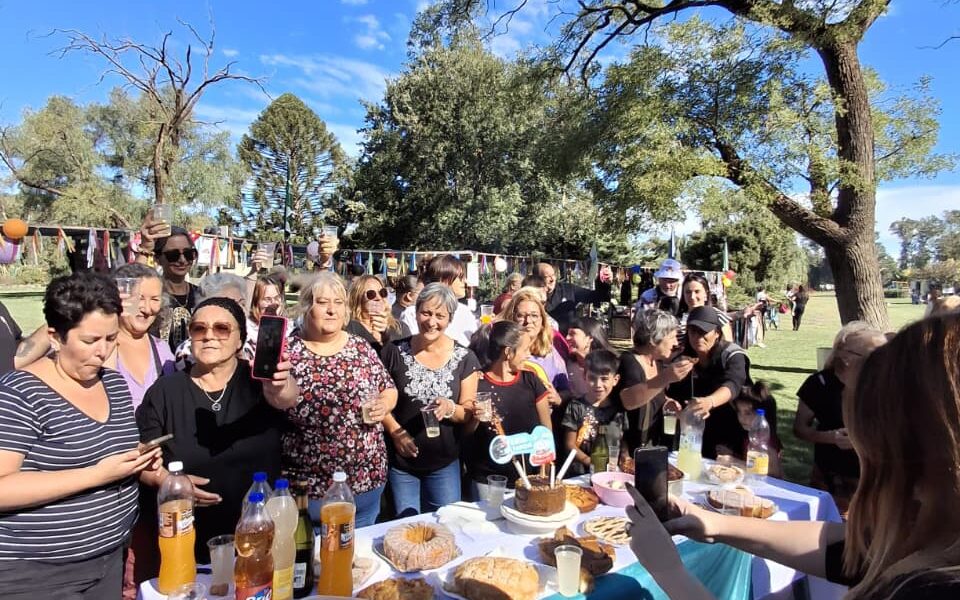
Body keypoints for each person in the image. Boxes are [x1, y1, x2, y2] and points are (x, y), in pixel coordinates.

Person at [624, 313, 960, 599]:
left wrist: (669, 570)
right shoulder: (926, 532)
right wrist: (713, 524)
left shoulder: (931, 586)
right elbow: (843, 544)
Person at [0, 272, 162, 599]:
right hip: (37, 574)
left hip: (107, 562)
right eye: (89, 341)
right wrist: (96, 475)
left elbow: (109, 448)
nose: (102, 351)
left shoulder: (112, 384)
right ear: (55, 337)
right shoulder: (20, 394)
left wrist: (138, 459)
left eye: (111, 339)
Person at [137, 297, 299, 563]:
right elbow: (143, 455)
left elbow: (287, 397)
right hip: (187, 538)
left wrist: (279, 385)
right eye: (199, 329)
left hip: (259, 536)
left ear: (240, 340)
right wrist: (169, 482)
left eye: (221, 328)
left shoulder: (259, 382)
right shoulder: (165, 391)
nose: (209, 335)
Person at [284, 272, 398, 528]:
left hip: (366, 482)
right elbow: (276, 399)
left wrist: (384, 404)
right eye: (323, 302)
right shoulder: (289, 351)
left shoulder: (360, 347)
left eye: (338, 303)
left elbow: (389, 389)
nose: (331, 310)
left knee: (362, 562)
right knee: (317, 563)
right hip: (311, 489)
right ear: (306, 306)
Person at [380, 284, 481, 516]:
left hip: (444, 463)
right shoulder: (394, 352)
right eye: (426, 313)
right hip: (402, 462)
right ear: (416, 312)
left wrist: (450, 407)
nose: (431, 321)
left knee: (446, 525)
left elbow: (468, 412)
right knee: (404, 526)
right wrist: (396, 432)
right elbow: (377, 399)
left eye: (440, 316)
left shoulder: (465, 357)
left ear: (450, 319)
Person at [793, 322, 886, 516]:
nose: (882, 360)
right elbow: (800, 429)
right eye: (873, 354)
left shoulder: (884, 384)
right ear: (846, 357)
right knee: (828, 528)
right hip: (830, 473)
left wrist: (863, 439)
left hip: (874, 474)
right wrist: (832, 437)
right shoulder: (819, 384)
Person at [465, 321, 552, 498]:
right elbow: (465, 435)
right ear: (507, 352)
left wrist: (545, 469)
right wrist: (475, 417)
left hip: (530, 479)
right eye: (525, 349)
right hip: (488, 481)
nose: (529, 355)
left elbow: (546, 431)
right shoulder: (477, 382)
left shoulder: (531, 380)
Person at [669, 306, 750, 459]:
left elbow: (733, 384)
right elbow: (672, 394)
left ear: (717, 333)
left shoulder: (732, 355)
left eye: (704, 332)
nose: (698, 337)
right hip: (696, 434)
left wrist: (709, 401)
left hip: (733, 426)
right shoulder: (682, 359)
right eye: (693, 332)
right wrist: (676, 407)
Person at [618, 310, 695, 455]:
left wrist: (667, 401)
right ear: (654, 339)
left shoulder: (656, 364)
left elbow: (651, 394)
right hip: (629, 453)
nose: (676, 343)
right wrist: (665, 378)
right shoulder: (629, 361)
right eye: (672, 337)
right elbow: (628, 400)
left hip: (651, 448)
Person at [106, 264, 176, 409]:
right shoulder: (100, 346)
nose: (147, 308)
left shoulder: (162, 350)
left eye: (155, 300)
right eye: (139, 298)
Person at [137, 225, 200, 353]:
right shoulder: (150, 296)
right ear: (158, 258)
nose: (182, 260)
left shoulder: (203, 295)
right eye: (173, 255)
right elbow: (132, 284)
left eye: (188, 254)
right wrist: (144, 248)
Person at [561, 350, 622, 477]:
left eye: (604, 379)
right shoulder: (576, 406)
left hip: (611, 473)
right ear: (584, 376)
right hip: (580, 474)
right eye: (592, 378)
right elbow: (569, 444)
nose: (598, 385)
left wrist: (625, 459)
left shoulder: (619, 409)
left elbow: (623, 440)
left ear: (615, 380)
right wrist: (591, 462)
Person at [499, 289, 569, 400]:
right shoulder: (500, 350)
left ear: (542, 320)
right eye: (521, 315)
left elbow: (567, 391)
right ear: (511, 318)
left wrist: (558, 398)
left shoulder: (550, 353)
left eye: (534, 315)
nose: (528, 321)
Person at [399, 255, 477, 346]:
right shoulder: (412, 314)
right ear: (443, 279)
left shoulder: (465, 312)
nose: (465, 281)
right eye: (460, 277)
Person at [724, 382, 783, 478]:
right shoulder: (749, 435)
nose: (742, 418)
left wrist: (733, 461)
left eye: (748, 413)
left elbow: (773, 472)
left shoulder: (766, 441)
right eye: (739, 411)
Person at [535, 261, 612, 334]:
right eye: (547, 277)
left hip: (568, 341)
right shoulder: (530, 296)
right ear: (536, 279)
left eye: (553, 275)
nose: (552, 279)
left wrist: (603, 282)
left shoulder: (568, 290)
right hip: (543, 341)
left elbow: (596, 296)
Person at [346, 274, 401, 353]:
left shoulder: (399, 329)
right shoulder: (348, 331)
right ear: (357, 299)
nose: (378, 298)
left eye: (382, 293)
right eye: (371, 294)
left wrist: (385, 339)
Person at [565, 316, 614, 398]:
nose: (567, 338)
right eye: (567, 334)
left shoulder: (610, 366)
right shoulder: (568, 365)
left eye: (572, 334)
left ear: (589, 338)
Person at [244, 274, 288, 360]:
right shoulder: (247, 329)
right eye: (267, 299)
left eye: (276, 298)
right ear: (256, 302)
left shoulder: (289, 328)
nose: (273, 303)